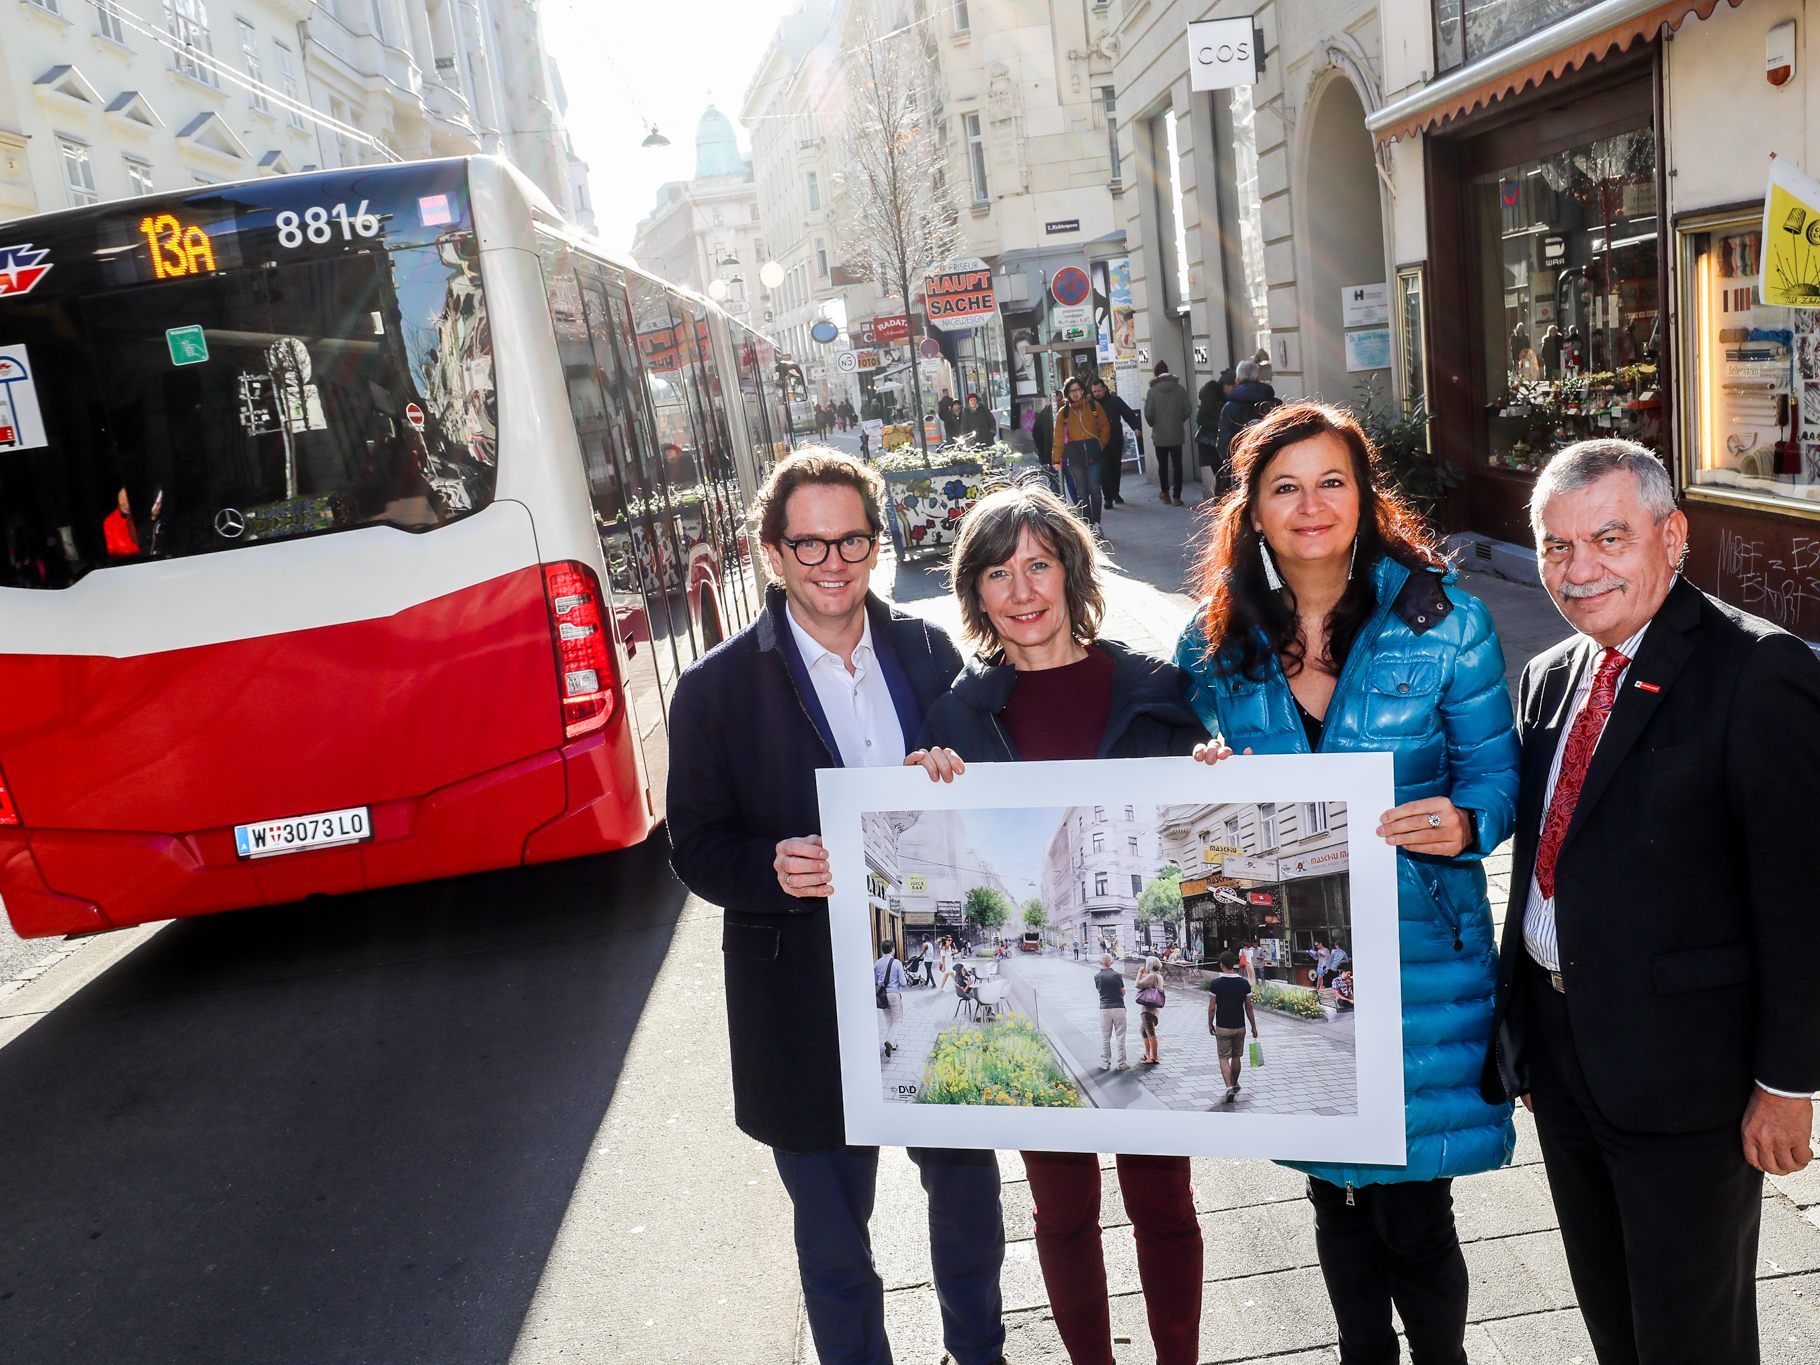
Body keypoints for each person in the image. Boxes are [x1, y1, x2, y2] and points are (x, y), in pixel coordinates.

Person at [1177, 401, 1521, 1365]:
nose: (1311, 504)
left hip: (1422, 962)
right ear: (1252, 512)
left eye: (1332, 481)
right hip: (1302, 950)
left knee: (1414, 1205)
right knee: (1335, 1193)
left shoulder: (1445, 618)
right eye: (1284, 487)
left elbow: (1494, 776)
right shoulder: (1216, 648)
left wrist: (1464, 823)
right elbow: (1173, 783)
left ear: (1366, 499)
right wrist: (1199, 778)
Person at [1480, 438, 1820, 1363]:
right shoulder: (1553, 675)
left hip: (1686, 1082)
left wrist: (1789, 1084)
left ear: (1673, 536)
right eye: (1556, 546)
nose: (1578, 570)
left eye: (1608, 539)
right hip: (1566, 1059)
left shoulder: (1759, 672)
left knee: (1691, 1339)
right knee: (1615, 1325)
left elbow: (1800, 900)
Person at [665, 449, 1008, 1365]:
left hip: (931, 984)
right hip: (802, 1003)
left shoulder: (931, 652)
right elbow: (692, 846)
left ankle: (979, 1354)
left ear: (875, 542)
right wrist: (769, 868)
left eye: (850, 538)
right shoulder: (712, 691)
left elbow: (1000, 792)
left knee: (969, 1209)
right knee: (833, 1241)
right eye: (807, 543)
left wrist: (959, 779)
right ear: (771, 551)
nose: (832, 561)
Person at [906, 482, 1211, 1365]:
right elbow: (926, 815)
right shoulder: (961, 713)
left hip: (1134, 998)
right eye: (999, 572)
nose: (1023, 589)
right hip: (1047, 1062)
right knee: (1062, 1210)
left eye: (1039, 564)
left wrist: (1210, 767)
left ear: (1072, 572)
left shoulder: (1152, 687)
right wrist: (921, 775)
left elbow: (1183, 827)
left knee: (1163, 1205)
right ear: (977, 595)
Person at [1051, 376, 1111, 535]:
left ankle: (1097, 521)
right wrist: (1056, 459)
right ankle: (1089, 523)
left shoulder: (1094, 406)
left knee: (1095, 490)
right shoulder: (1063, 414)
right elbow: (1058, 438)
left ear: (1083, 390)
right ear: (1067, 394)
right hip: (1075, 455)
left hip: (1093, 452)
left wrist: (1100, 444)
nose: (1076, 394)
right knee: (1082, 492)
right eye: (1072, 391)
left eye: (1078, 390)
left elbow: (1105, 427)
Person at [1213, 360, 1277, 493]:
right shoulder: (1274, 404)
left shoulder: (1229, 408)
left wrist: (1231, 466)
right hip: (1271, 467)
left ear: (1236, 381)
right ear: (1258, 378)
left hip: (1241, 470)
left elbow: (1223, 444)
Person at [1206, 951, 1258, 1103]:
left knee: (1223, 1057)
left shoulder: (1216, 984)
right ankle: (1234, 1084)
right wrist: (1254, 1027)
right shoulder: (1243, 983)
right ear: (1234, 964)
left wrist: (1210, 1024)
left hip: (1222, 1026)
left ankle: (1229, 1087)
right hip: (1239, 1026)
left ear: (1222, 965)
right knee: (1236, 1056)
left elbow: (1211, 1008)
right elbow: (1249, 1008)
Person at [1142, 361, 1191, 506]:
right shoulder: (1179, 389)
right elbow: (1188, 409)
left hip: (1160, 435)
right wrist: (1178, 420)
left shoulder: (1152, 391)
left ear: (1157, 374)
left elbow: (1148, 413)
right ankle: (1177, 496)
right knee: (1177, 465)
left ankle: (1165, 493)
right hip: (1176, 433)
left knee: (1162, 465)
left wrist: (1154, 424)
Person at [1090, 378, 1141, 508]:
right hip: (1099, 442)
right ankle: (1108, 498)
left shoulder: (1115, 401)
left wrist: (1136, 427)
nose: (1097, 393)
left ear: (1105, 389)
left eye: (1099, 391)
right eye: (1094, 391)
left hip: (1115, 439)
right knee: (1104, 469)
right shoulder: (1090, 404)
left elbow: (1128, 413)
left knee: (1115, 467)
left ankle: (1115, 493)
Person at [1196, 369, 1235, 484]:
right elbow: (1201, 418)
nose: (1233, 390)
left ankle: (1221, 501)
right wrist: (1223, 425)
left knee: (1224, 478)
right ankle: (1221, 502)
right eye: (1232, 386)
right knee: (1223, 478)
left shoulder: (1223, 396)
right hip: (1211, 443)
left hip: (1219, 442)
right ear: (1225, 384)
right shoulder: (1212, 394)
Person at [1031, 390, 1066, 499]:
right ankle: (1059, 503)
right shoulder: (1045, 413)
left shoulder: (1066, 411)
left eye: (1059, 400)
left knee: (1066, 481)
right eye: (1055, 400)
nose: (1057, 402)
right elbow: (1036, 432)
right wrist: (1041, 450)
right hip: (1051, 453)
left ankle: (1066, 503)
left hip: (1066, 453)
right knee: (1055, 480)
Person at [876, 938, 908, 1057]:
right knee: (898, 1020)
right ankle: (889, 1041)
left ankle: (893, 1044)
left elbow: (875, 981)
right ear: (893, 949)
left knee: (889, 1019)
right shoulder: (897, 963)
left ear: (882, 950)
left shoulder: (877, 963)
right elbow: (903, 982)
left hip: (882, 995)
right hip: (894, 994)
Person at [1135, 954, 1166, 1065]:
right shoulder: (1158, 976)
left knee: (1150, 1032)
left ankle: (1154, 1057)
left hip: (1148, 1009)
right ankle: (1148, 1054)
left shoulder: (1152, 976)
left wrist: (1139, 973)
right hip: (1155, 1008)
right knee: (1143, 1030)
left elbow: (1137, 985)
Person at [103, 487, 141, 560]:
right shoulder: (109, 521)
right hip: (123, 561)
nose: (126, 506)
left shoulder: (140, 514)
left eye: (128, 502)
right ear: (119, 501)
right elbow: (111, 550)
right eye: (123, 504)